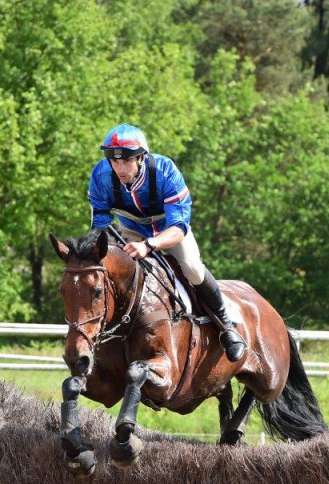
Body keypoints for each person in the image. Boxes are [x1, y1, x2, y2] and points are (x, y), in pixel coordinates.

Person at [87, 123, 247, 362]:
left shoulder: (165, 171)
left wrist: (149, 245)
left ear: (141, 157)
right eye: (114, 161)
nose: (120, 168)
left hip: (168, 230)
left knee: (192, 268)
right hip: (129, 230)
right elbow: (100, 223)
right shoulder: (100, 176)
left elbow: (179, 226)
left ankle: (226, 326)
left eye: (126, 161)